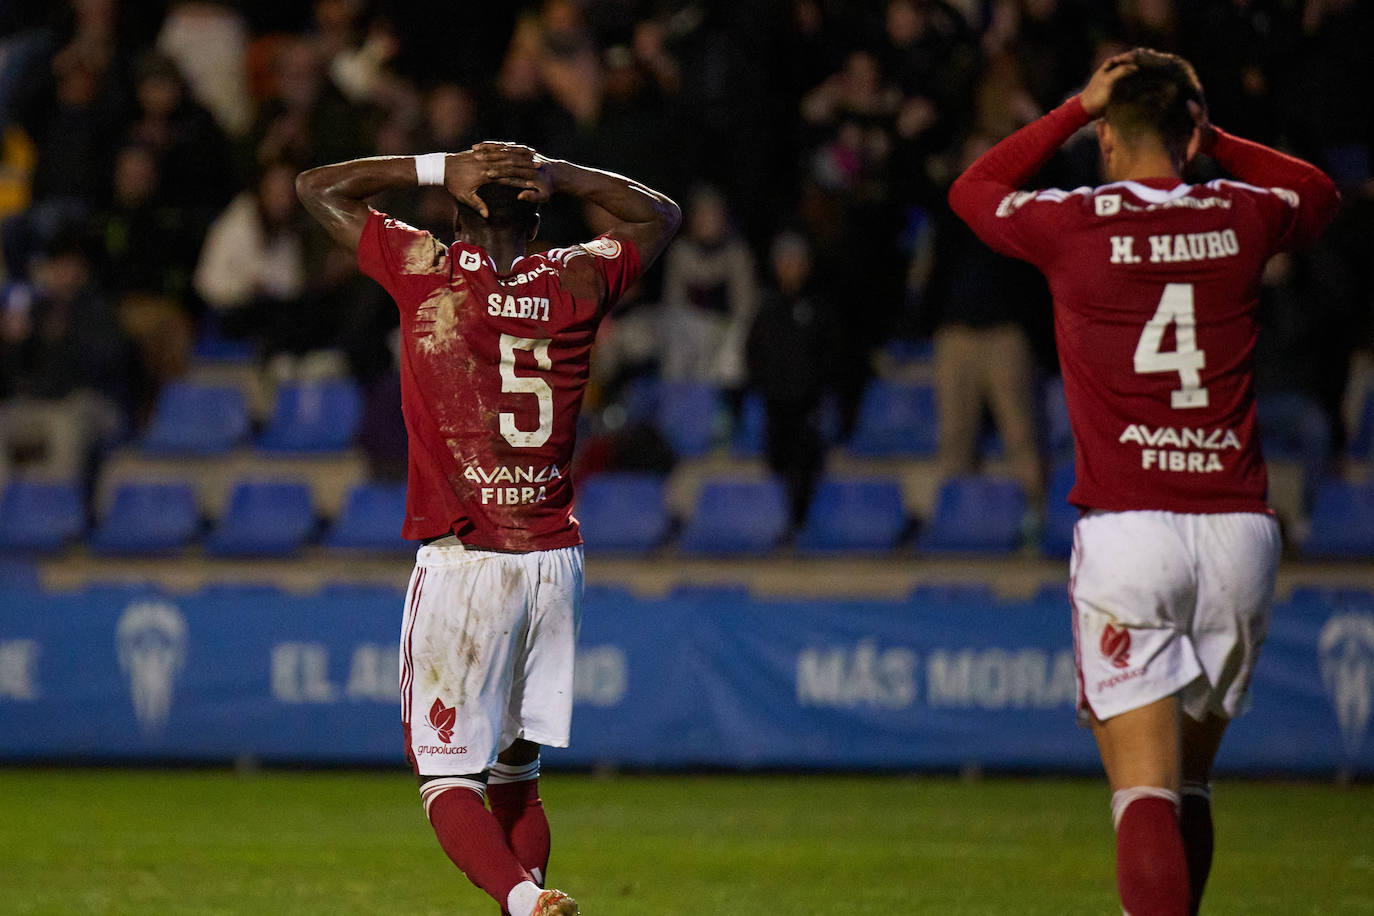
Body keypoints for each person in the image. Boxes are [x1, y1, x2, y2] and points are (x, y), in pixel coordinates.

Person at [949, 49, 1338, 916]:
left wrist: (1071, 106)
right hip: (1237, 529)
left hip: (1131, 529)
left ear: (1108, 143)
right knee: (1189, 782)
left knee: (1142, 789)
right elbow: (1318, 194)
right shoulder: (1240, 214)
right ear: (1190, 133)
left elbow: (972, 191)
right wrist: (1212, 136)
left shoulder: (1076, 220)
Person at [295, 142, 679, 916]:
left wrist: (439, 167)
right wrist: (558, 172)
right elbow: (659, 214)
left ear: (463, 208)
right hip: (552, 561)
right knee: (516, 775)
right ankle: (531, 897)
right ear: (538, 217)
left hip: (467, 559)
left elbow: (316, 188)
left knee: (444, 778)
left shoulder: (427, 268)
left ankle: (520, 902)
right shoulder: (577, 278)